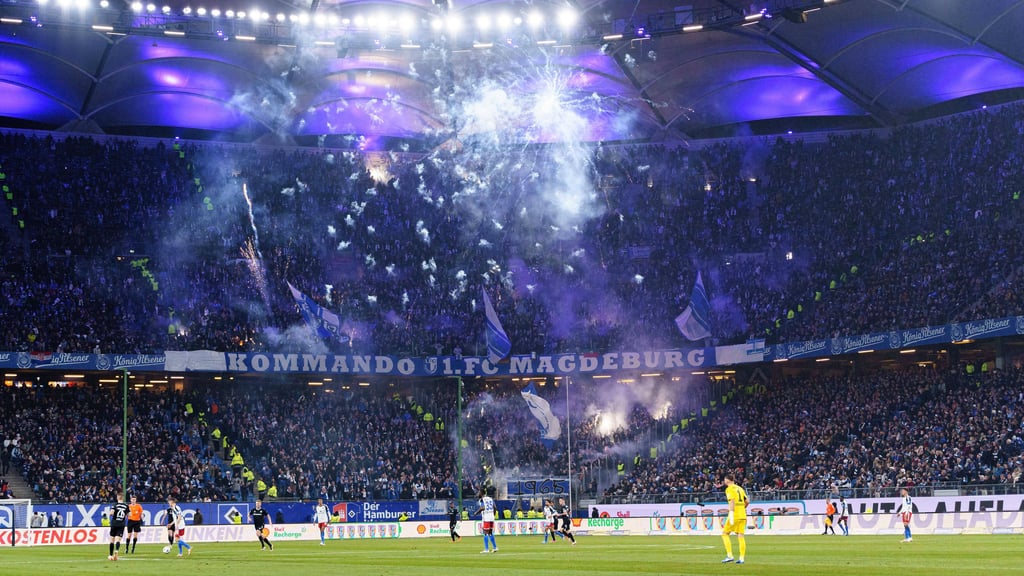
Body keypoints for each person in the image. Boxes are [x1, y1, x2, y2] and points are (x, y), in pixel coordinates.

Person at [721, 473, 749, 564]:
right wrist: (742, 508)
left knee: (725, 533)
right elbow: (747, 501)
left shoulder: (729, 489)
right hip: (742, 514)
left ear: (727, 480)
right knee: (740, 536)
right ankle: (741, 558)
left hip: (735, 514)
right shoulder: (740, 488)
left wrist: (732, 513)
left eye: (725, 479)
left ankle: (729, 555)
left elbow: (732, 501)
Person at [473, 488, 498, 554]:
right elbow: (495, 507)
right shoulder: (490, 498)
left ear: (482, 493)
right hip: (491, 516)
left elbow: (482, 508)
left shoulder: (482, 500)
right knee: (490, 532)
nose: (478, 494)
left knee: (485, 532)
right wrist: (493, 515)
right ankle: (495, 547)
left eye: (479, 492)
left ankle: (486, 549)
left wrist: (476, 512)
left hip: (486, 517)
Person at [108, 493, 129, 561]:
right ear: (123, 498)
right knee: (118, 539)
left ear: (117, 497)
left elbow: (111, 513)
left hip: (114, 523)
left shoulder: (115, 505)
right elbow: (129, 515)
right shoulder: (126, 506)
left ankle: (111, 555)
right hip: (121, 524)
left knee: (112, 539)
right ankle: (116, 550)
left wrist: (111, 513)